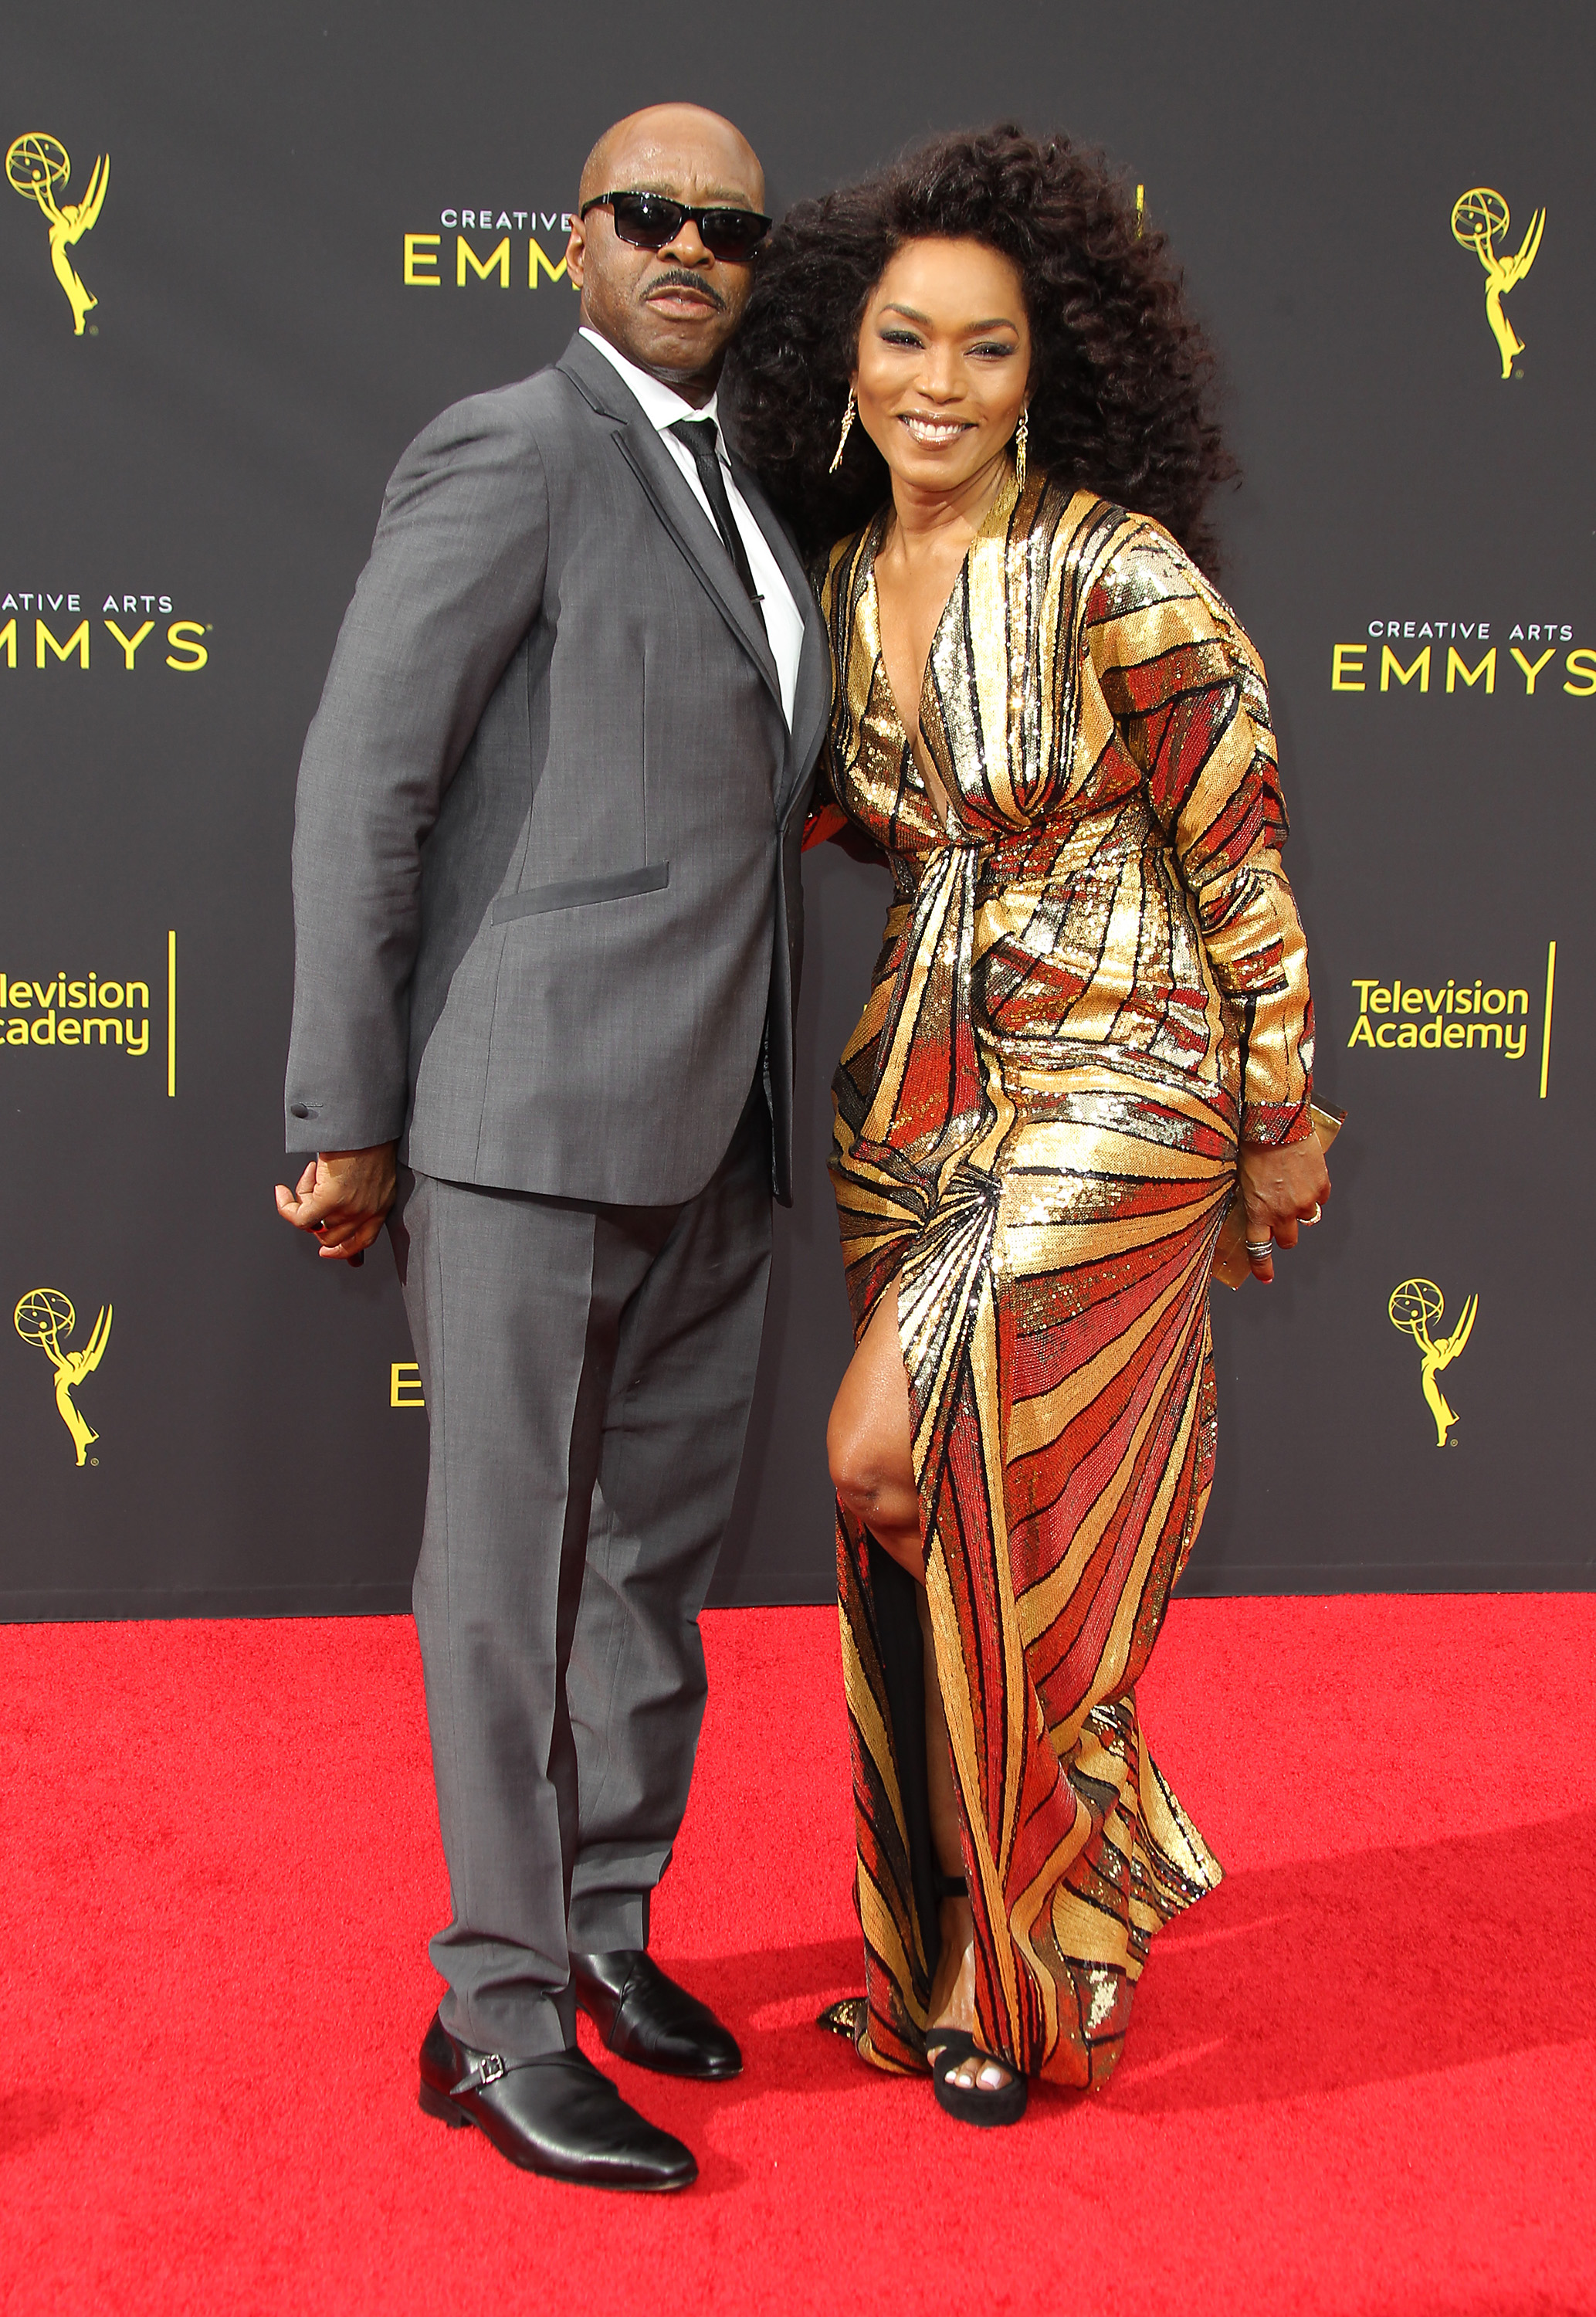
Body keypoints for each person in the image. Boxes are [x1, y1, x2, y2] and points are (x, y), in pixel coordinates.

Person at [729, 125, 1328, 2124]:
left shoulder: (1111, 570)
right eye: (906, 338)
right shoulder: (828, 583)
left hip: (1126, 1069)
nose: (937, 385)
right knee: (904, 1515)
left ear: (1039, 372)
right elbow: (815, 815)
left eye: (984, 351)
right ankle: (936, 1974)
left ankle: (1046, 1959)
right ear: (843, 350)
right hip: (920, 1079)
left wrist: (1274, 1107)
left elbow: (1235, 855)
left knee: (937, 1468)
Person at [275, 102, 829, 2190]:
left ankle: (603, 1928)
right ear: (573, 243)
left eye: (729, 228)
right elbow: (363, 782)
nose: (689, 246)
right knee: (504, 1585)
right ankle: (490, 2012)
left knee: (646, 1581)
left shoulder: (750, 493)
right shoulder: (512, 449)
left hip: (726, 1125)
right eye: (648, 215)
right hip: (521, 1122)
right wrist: (346, 1111)